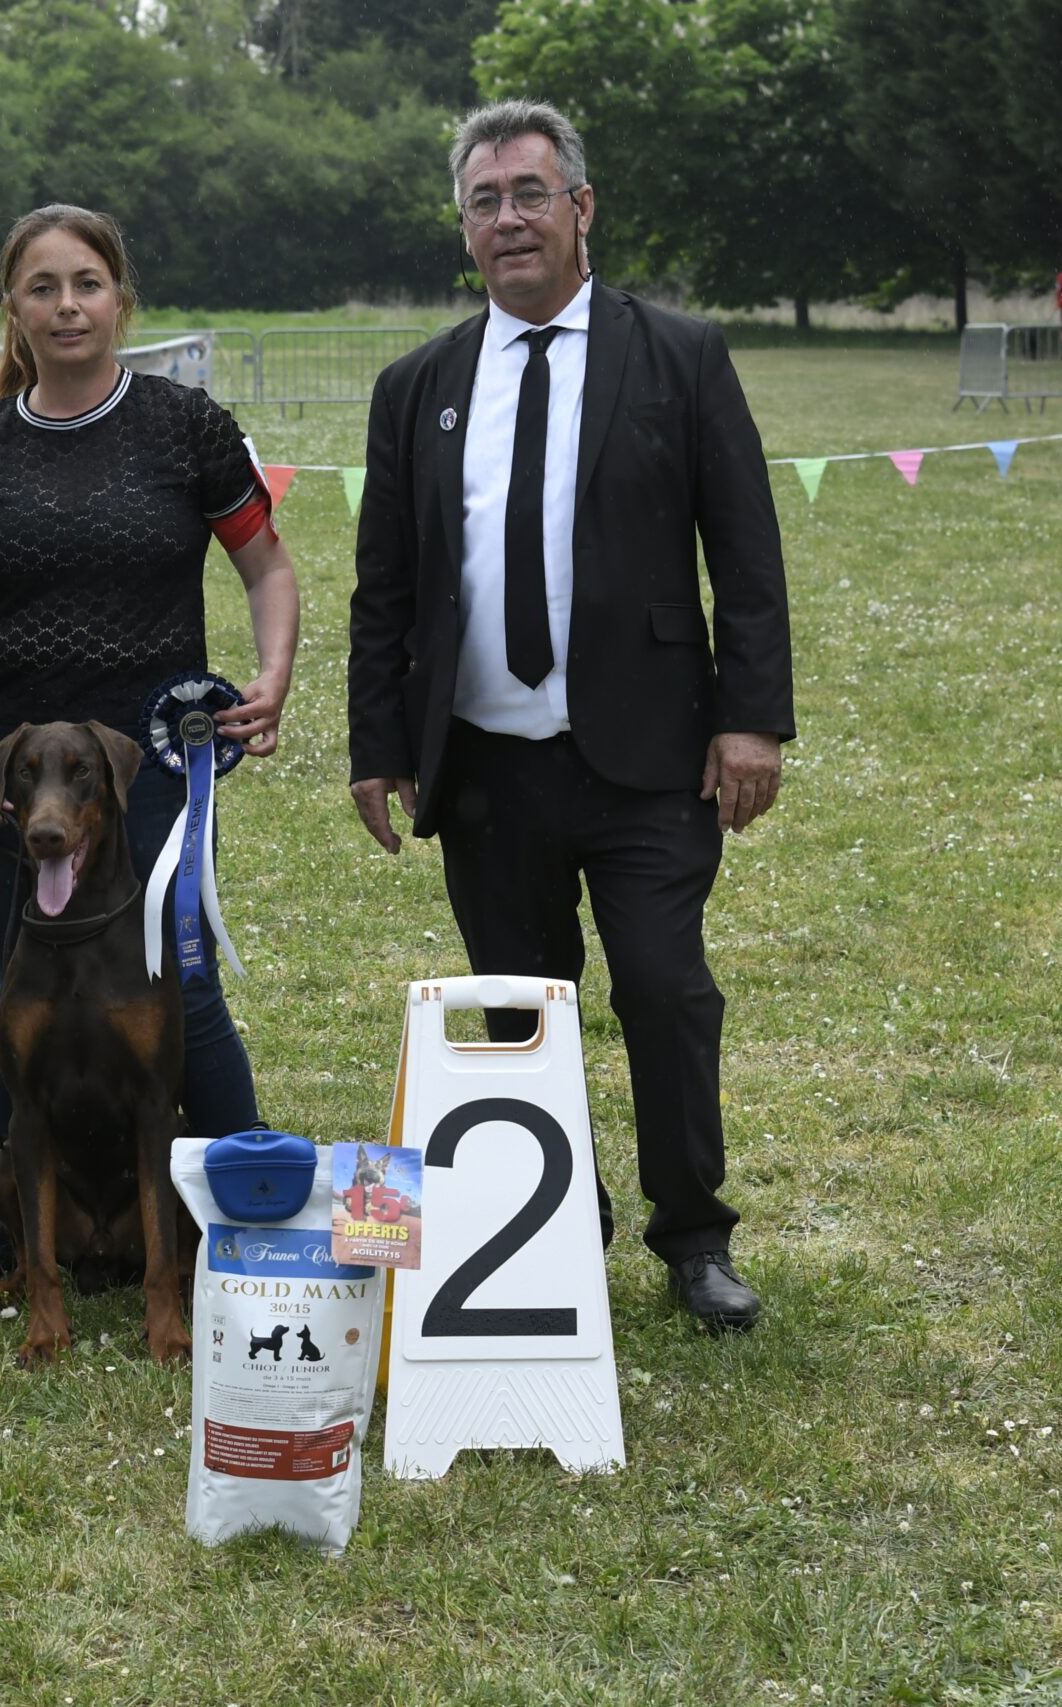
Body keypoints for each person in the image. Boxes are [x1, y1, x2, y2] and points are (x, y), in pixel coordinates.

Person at [346, 100, 794, 1334]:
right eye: (484, 201)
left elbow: (746, 553)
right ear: (464, 227)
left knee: (664, 988)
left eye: (530, 194)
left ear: (581, 208)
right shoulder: (417, 386)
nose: (509, 220)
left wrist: (752, 720)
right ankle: (553, 1230)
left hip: (651, 755)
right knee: (517, 1014)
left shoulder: (681, 356)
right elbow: (385, 584)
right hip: (486, 769)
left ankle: (694, 1236)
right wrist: (377, 744)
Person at [0, 204, 302, 1297]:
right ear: (12, 307)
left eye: (86, 283)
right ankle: (7, 1227)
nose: (67, 306)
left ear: (121, 298)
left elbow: (267, 568)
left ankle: (255, 1214)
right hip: (11, 780)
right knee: (21, 999)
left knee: (183, 989)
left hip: (152, 770)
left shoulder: (185, 426)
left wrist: (272, 676)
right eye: (42, 287)